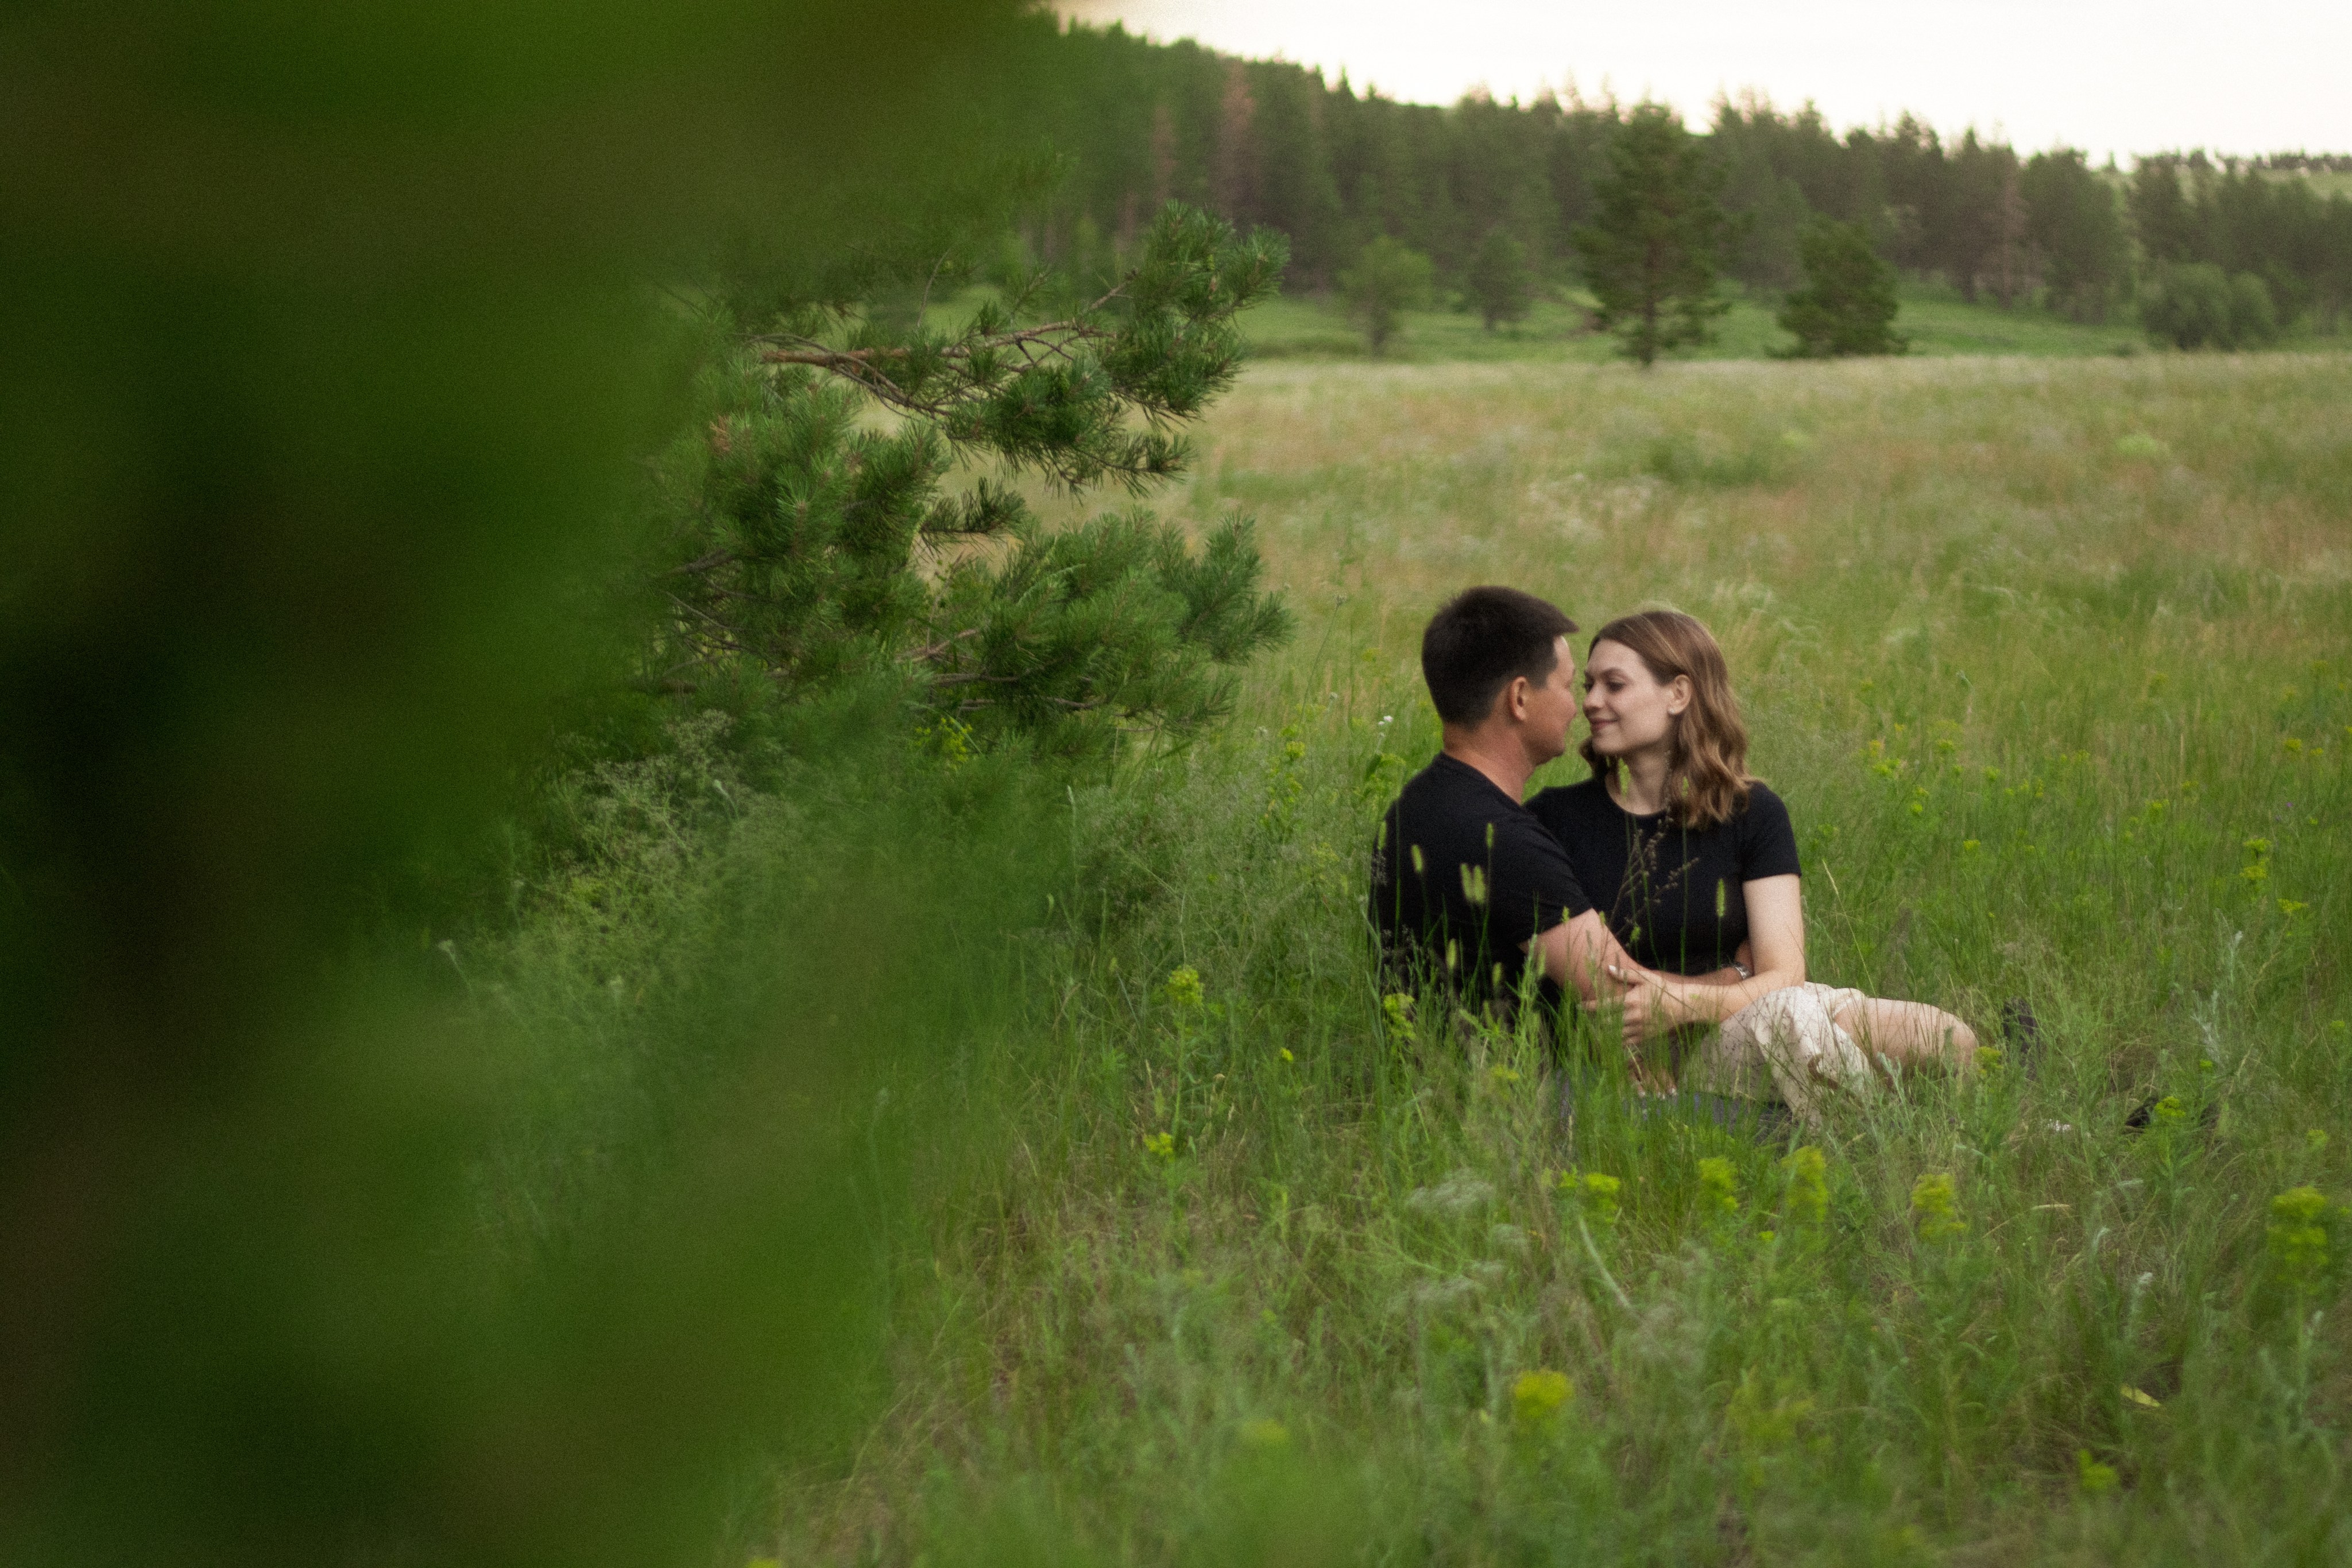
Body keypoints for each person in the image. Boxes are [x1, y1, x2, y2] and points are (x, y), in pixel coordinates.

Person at [1527, 609, 1979, 1125]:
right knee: (1793, 1018)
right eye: (1588, 685)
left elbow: (1785, 973)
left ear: (1679, 694)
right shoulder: (1554, 819)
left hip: (1749, 1015)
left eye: (1614, 684)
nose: (1590, 701)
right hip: (1670, 1042)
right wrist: (1731, 978)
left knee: (1948, 1038)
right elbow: (1582, 985)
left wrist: (1679, 1002)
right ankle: (1883, 1141)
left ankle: (1969, 1124)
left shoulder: (1751, 812)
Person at [1368, 587, 1637, 1025]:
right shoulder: (1503, 841)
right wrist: (1738, 980)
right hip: (1506, 1068)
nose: (1581, 707)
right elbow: (1624, 999)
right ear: (1520, 698)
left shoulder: (1411, 806)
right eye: (1570, 686)